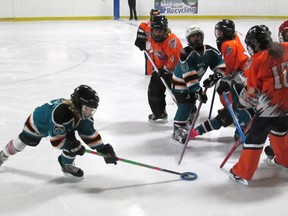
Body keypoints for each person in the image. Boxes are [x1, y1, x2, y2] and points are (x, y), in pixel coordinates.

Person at [0, 85, 118, 178]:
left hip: (64, 126)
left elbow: (88, 133)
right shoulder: (60, 113)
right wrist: (73, 146)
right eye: (87, 109)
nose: (89, 113)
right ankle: (3, 155)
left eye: (92, 110)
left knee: (72, 144)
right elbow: (56, 142)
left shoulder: (82, 116)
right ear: (78, 104)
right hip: (38, 124)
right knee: (20, 143)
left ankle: (66, 164)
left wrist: (102, 149)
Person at [229, 25, 288, 185]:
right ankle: (284, 160)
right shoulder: (285, 47)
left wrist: (241, 99)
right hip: (286, 106)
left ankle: (242, 172)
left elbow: (251, 95)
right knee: (280, 133)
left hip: (269, 108)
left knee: (254, 139)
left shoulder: (256, 61)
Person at [171, 25, 226, 145]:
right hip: (180, 85)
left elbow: (220, 64)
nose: (196, 39)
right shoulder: (186, 53)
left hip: (192, 84)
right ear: (188, 40)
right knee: (185, 104)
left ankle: (188, 116)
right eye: (193, 37)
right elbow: (188, 75)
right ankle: (177, 131)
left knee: (191, 104)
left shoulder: (210, 51)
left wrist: (215, 77)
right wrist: (197, 90)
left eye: (198, 36)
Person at [147, 15, 183, 122]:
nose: (158, 33)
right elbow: (143, 27)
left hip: (176, 71)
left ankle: (188, 113)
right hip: (160, 69)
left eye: (160, 31)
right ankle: (159, 113)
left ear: (165, 29)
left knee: (180, 94)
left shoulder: (171, 40)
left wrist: (166, 69)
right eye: (156, 30)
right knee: (154, 91)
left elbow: (175, 58)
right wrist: (140, 38)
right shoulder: (150, 36)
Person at [214, 19, 249, 108]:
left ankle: (231, 110)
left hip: (241, 74)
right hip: (246, 70)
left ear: (227, 32)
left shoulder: (228, 45)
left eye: (221, 32)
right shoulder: (234, 37)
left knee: (221, 87)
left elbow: (229, 67)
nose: (218, 34)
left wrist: (223, 76)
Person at [134, 9, 160, 75]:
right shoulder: (145, 26)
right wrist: (143, 44)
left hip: (160, 50)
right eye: (153, 15)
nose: (155, 17)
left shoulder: (162, 27)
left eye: (156, 15)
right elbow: (140, 40)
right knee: (150, 72)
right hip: (149, 50)